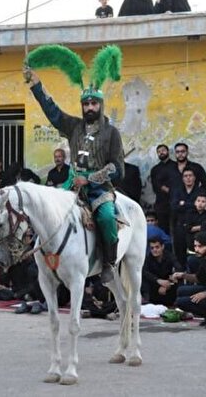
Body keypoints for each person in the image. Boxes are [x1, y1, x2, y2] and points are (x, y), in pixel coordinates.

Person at [25, 60, 125, 267]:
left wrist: (90, 179)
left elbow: (117, 169)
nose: (89, 107)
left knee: (106, 218)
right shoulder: (73, 126)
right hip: (71, 184)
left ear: (100, 104)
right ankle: (41, 261)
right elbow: (53, 112)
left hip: (100, 190)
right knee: (46, 212)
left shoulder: (111, 133)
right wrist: (36, 84)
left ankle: (109, 262)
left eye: (94, 103)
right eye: (86, 104)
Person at [171, 167, 206, 265]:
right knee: (179, 253)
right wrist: (191, 204)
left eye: (190, 176)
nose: (188, 178)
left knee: (196, 255)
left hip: (195, 227)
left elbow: (199, 207)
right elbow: (174, 207)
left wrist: (183, 204)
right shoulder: (177, 191)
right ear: (182, 178)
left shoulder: (200, 191)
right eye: (185, 176)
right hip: (180, 226)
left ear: (194, 177)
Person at [143, 237, 182, 306]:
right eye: (152, 248)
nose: (154, 250)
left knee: (178, 278)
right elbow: (145, 272)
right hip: (155, 285)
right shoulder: (148, 258)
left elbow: (178, 268)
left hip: (168, 285)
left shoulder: (169, 256)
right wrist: (158, 281)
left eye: (157, 247)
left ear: (162, 247)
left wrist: (168, 283)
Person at [150, 144, 177, 233]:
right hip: (161, 203)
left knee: (177, 228)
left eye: (163, 150)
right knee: (163, 228)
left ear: (168, 152)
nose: (161, 153)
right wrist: (162, 188)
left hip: (175, 201)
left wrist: (171, 190)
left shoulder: (176, 166)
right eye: (159, 151)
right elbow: (154, 185)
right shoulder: (155, 169)